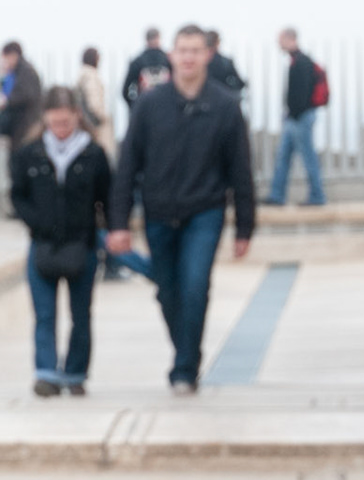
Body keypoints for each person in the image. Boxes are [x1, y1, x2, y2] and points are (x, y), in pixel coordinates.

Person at [109, 26, 257, 394]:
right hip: (159, 212)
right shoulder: (149, 105)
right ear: (172, 55)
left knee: (194, 285)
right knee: (168, 291)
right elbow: (128, 165)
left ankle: (185, 368)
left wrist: (245, 227)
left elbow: (240, 170)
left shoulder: (225, 106)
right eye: (182, 50)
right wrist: (119, 222)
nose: (188, 57)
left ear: (208, 55)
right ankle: (186, 352)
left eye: (195, 50)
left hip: (205, 212)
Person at [11, 87, 112, 396]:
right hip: (42, 243)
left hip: (82, 244)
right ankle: (45, 373)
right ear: (45, 119)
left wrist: (108, 230)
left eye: (66, 122)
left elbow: (107, 197)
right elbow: (18, 195)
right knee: (44, 314)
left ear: (77, 116)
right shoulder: (30, 153)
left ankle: (75, 373)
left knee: (81, 314)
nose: (61, 128)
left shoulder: (93, 154)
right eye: (55, 123)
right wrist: (37, 222)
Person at [266, 27, 327, 206]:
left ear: (289, 39)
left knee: (308, 158)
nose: (278, 43)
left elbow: (301, 94)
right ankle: (277, 195)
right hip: (294, 118)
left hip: (300, 118)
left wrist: (293, 114)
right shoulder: (296, 61)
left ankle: (317, 196)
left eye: (280, 39)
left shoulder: (302, 62)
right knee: (283, 158)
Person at [0, 40, 44, 152]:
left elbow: (25, 95)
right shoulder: (17, 72)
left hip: (26, 125)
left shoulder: (26, 72)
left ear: (13, 55)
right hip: (20, 125)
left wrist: (6, 101)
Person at [75, 46, 116, 161]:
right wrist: (103, 118)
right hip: (96, 127)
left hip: (86, 124)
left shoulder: (82, 75)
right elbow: (94, 104)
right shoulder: (91, 76)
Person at [123, 26, 173, 107]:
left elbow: (125, 91)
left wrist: (135, 106)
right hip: (167, 107)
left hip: (145, 107)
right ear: (159, 38)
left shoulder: (137, 62)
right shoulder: (169, 60)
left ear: (146, 40)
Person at [207, 29, 248, 99]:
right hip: (223, 98)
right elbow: (240, 82)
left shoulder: (201, 63)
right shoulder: (225, 62)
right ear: (217, 42)